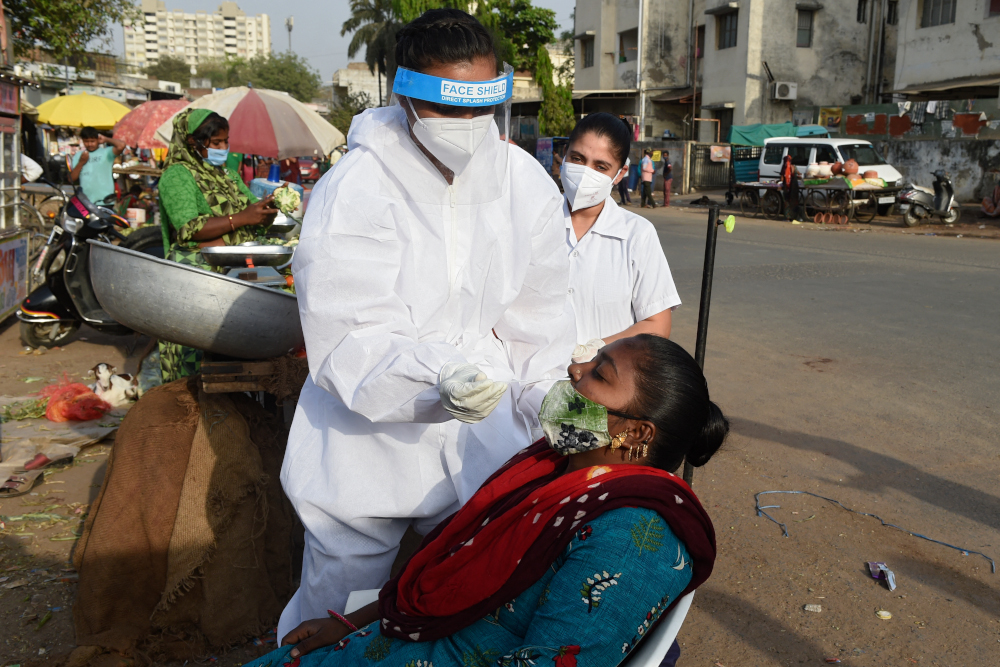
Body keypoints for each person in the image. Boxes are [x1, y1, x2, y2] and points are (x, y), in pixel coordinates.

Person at [279, 8, 575, 636]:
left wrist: (555, 401)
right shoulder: (357, 186)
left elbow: (540, 324)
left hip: (481, 438)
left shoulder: (522, 182)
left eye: (480, 112)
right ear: (405, 96)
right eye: (449, 110)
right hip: (365, 445)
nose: (468, 129)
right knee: (340, 611)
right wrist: (438, 377)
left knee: (468, 605)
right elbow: (349, 337)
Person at [246, 334, 726, 667]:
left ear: (635, 433)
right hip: (402, 641)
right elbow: (449, 577)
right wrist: (354, 623)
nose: (573, 368)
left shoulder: (634, 538)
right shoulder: (551, 470)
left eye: (598, 374)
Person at [157, 108, 278, 381]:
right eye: (216, 143)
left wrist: (267, 210)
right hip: (195, 276)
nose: (223, 148)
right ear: (193, 142)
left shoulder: (227, 175)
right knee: (193, 358)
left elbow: (251, 212)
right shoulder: (177, 175)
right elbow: (188, 228)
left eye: (226, 142)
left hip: (233, 270)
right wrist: (241, 219)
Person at [558, 113, 680, 365]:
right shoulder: (535, 222)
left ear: (620, 172)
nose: (584, 173)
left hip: (605, 384)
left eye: (600, 166)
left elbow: (657, 324)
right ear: (564, 154)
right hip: (531, 385)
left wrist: (597, 349)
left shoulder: (636, 234)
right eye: (578, 159)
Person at [69, 126, 124, 205]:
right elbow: (71, 179)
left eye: (92, 141)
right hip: (86, 201)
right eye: (86, 141)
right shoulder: (79, 156)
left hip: (105, 200)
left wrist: (106, 139)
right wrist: (81, 162)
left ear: (98, 140)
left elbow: (121, 145)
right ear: (82, 141)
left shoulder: (106, 153)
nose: (90, 144)